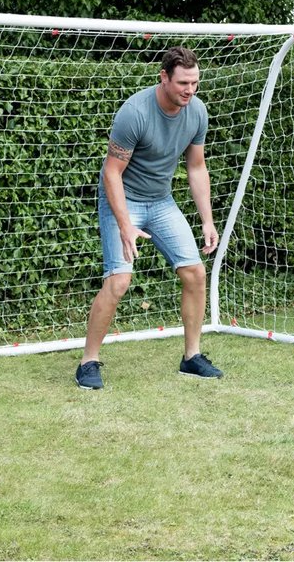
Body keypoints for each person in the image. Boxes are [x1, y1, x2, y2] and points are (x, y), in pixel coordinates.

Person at [75, 46, 222, 390]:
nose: (190, 90)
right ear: (164, 78)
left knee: (195, 273)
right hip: (122, 199)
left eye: (195, 83)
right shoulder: (135, 112)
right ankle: (88, 362)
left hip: (161, 201)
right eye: (183, 83)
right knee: (119, 281)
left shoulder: (197, 112)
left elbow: (196, 167)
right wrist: (125, 225)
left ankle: (191, 357)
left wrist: (207, 220)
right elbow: (112, 173)